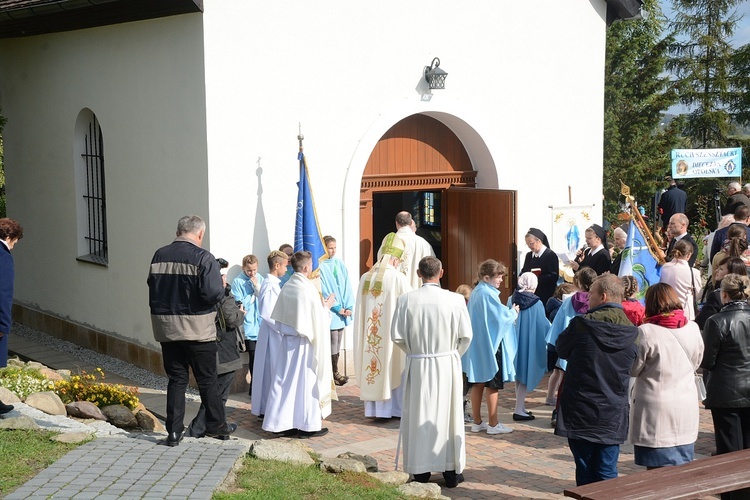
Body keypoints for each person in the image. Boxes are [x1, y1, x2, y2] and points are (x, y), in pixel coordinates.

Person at [147, 215, 236, 446]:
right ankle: (218, 425)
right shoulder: (204, 258)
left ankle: (173, 432)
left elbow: (152, 286)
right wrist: (222, 285)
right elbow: (212, 294)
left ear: (178, 231)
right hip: (198, 329)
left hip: (166, 327)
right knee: (207, 380)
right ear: (200, 234)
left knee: (176, 379)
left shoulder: (159, 254)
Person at [391, 256, 472, 488]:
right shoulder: (455, 300)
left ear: (418, 274)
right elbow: (466, 336)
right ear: (441, 272)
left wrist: (415, 352)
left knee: (420, 413)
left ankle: (421, 470)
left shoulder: (406, 300)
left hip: (419, 364)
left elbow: (397, 336)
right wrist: (451, 354)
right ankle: (450, 470)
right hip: (446, 364)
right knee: (448, 415)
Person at [555, 274, 638, 486]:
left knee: (585, 469)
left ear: (603, 296)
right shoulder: (632, 330)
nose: (587, 297)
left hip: (582, 406)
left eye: (590, 293)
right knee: (607, 469)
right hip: (612, 408)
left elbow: (561, 348)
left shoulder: (582, 324)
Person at [263, 250, 337, 438]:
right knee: (306, 384)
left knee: (285, 384)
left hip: (288, 344)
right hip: (305, 345)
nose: (312, 267)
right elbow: (318, 321)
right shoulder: (307, 289)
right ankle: (307, 425)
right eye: (311, 264)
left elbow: (280, 320)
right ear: (306, 267)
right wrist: (326, 308)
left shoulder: (288, 285)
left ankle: (280, 424)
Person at [629, 283, 704, 469]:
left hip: (655, 407)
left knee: (657, 472)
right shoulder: (693, 328)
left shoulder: (646, 331)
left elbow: (634, 368)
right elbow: (697, 360)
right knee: (682, 468)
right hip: (685, 403)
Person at [701, 273, 750, 500]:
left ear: (724, 294)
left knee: (729, 449)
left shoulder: (717, 321)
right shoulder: (718, 320)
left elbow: (708, 361)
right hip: (738, 389)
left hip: (725, 391)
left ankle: (733, 496)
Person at [353, 232, 412, 418]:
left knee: (373, 363)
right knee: (391, 364)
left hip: (370, 337)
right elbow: (409, 307)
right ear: (395, 259)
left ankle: (374, 410)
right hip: (389, 336)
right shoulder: (398, 278)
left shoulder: (365, 278)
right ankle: (393, 410)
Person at [186, 259, 246, 439]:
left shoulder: (198, 293)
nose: (225, 279)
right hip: (224, 351)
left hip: (205, 348)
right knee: (218, 396)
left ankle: (218, 429)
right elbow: (232, 320)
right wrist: (240, 313)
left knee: (213, 393)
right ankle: (197, 430)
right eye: (222, 276)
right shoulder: (222, 295)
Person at [462, 259, 518, 435]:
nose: (501, 280)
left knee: (478, 382)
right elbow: (501, 317)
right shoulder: (487, 293)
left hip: (478, 343)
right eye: (498, 277)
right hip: (491, 345)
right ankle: (493, 424)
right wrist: (513, 312)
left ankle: (478, 422)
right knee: (492, 384)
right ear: (487, 277)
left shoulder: (477, 291)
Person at [545, 267, 597, 423]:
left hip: (571, 346)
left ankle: (558, 412)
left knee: (566, 382)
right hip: (590, 347)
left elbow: (559, 325)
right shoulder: (597, 301)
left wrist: (556, 346)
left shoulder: (569, 301)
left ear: (579, 283)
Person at [250, 250, 289, 417]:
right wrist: (284, 327)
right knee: (271, 372)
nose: (287, 270)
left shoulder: (274, 284)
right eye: (285, 266)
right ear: (277, 265)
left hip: (273, 333)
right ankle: (268, 409)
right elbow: (267, 313)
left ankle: (268, 408)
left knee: (270, 372)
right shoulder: (270, 285)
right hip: (273, 335)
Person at [509, 272, 550, 421]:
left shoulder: (511, 298)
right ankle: (518, 409)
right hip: (529, 343)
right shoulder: (536, 303)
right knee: (526, 373)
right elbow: (542, 324)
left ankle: (520, 407)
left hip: (514, 342)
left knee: (518, 374)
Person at [319, 235, 355, 386]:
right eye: (330, 247)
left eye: (334, 247)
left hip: (343, 309)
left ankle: (335, 370)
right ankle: (332, 372)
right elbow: (325, 289)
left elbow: (346, 284)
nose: (333, 251)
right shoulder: (320, 266)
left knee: (339, 338)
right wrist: (337, 307)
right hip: (332, 309)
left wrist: (348, 306)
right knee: (332, 339)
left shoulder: (339, 263)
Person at [231, 254, 264, 395]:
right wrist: (252, 295)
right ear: (244, 268)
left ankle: (258, 386)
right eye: (249, 270)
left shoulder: (260, 278)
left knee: (261, 357)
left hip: (261, 324)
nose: (252, 273)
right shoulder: (238, 282)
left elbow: (264, 296)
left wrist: (258, 288)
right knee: (253, 356)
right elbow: (240, 302)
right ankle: (253, 387)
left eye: (255, 270)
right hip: (249, 326)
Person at [377, 211, 435, 289]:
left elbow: (381, 266)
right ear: (411, 223)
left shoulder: (388, 243)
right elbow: (433, 269)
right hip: (417, 294)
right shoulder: (424, 244)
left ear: (397, 223)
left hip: (395, 290)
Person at [0, 218, 22, 415]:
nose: (13, 246)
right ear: (9, 237)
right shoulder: (3, 256)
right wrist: (4, 324)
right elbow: (4, 292)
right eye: (14, 241)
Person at [696, 257, 747, 330]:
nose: (717, 271)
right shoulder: (745, 293)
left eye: (721, 269)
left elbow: (702, 322)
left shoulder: (718, 295)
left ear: (730, 274)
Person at [659, 240, 703, 321]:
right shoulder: (694, 272)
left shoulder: (663, 268)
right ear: (689, 255)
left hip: (665, 310)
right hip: (685, 312)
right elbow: (698, 294)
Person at [520, 228, 559, 304]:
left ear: (539, 241)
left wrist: (534, 279)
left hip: (545, 294)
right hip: (530, 295)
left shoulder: (550, 255)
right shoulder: (529, 255)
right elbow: (524, 270)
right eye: (527, 244)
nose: (529, 246)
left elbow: (553, 276)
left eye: (531, 243)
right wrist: (521, 277)